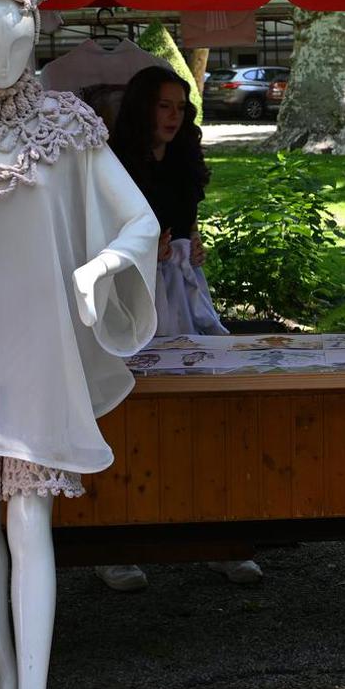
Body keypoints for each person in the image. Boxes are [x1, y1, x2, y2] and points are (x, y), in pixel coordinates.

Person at [102, 65, 262, 591]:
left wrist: (192, 246)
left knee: (204, 408)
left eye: (180, 107)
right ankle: (117, 544)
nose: (174, 116)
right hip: (131, 295)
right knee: (131, 416)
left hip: (181, 290)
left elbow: (185, 223)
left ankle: (217, 536)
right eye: (164, 106)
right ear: (144, 108)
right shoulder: (114, 162)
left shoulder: (184, 157)